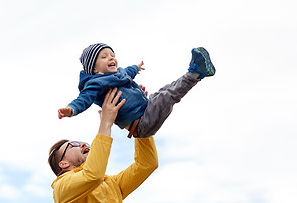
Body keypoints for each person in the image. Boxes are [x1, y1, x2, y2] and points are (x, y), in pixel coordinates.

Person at [49, 88, 158, 203]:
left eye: (82, 142)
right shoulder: (61, 187)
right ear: (63, 163)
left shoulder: (111, 184)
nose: (82, 144)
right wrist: (106, 122)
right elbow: (93, 175)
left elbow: (147, 163)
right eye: (72, 145)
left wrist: (137, 122)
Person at [58, 43, 216, 138]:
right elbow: (83, 99)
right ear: (94, 68)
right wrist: (71, 110)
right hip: (141, 124)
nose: (111, 58)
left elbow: (128, 71)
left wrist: (137, 67)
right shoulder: (95, 83)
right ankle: (195, 72)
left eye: (112, 55)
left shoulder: (119, 73)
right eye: (104, 57)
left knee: (164, 90)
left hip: (146, 108)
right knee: (169, 95)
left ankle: (197, 72)